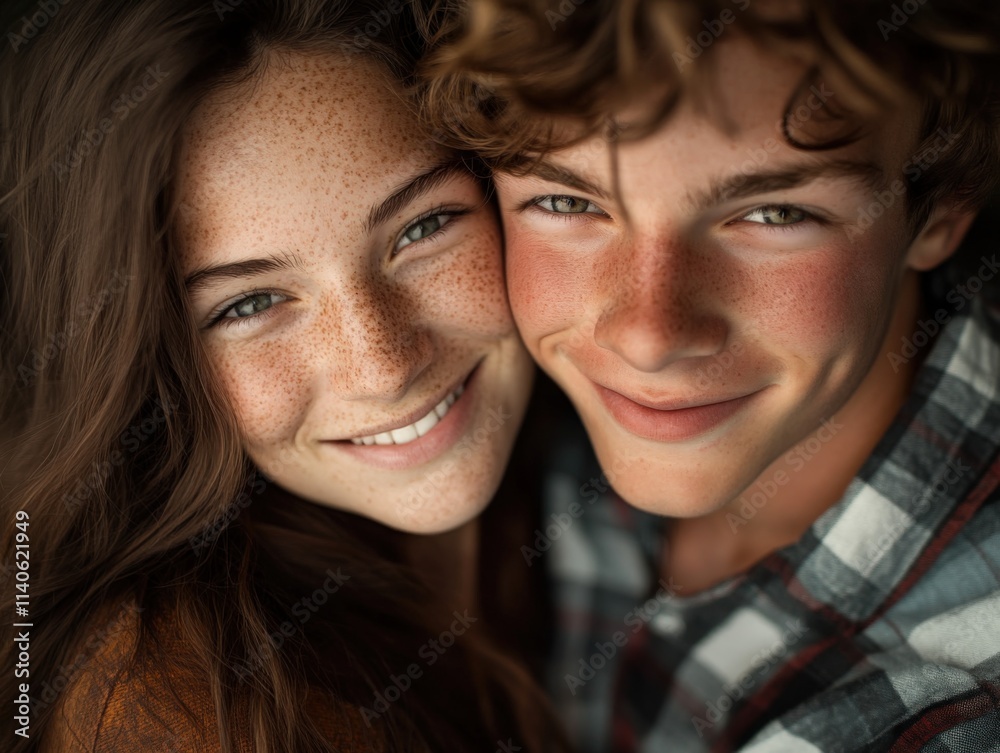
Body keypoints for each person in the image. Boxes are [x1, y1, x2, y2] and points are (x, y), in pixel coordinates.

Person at [421, 0, 1000, 750]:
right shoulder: (506, 441)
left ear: (938, 214)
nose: (650, 337)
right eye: (567, 201)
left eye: (774, 215)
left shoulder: (951, 714)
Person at [0, 0, 570, 750]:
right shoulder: (171, 710)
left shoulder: (594, 472)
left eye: (422, 228)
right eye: (252, 303)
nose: (383, 365)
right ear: (149, 365)